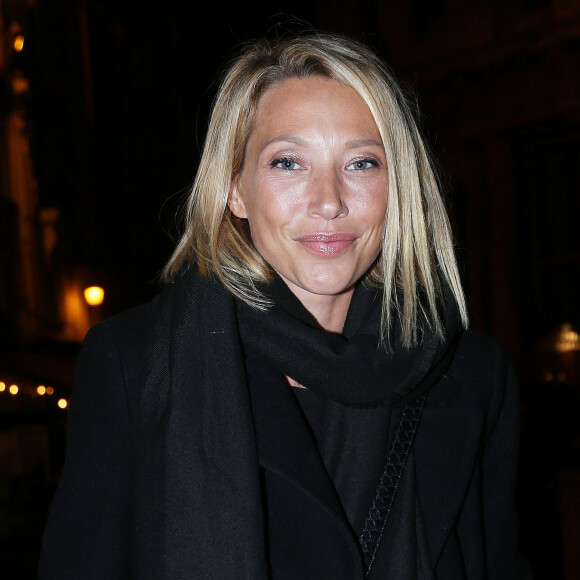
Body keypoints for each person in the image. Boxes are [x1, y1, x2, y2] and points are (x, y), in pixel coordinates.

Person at [39, 33, 528, 578]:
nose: (329, 201)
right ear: (235, 190)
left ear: (400, 187)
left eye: (362, 163)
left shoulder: (472, 377)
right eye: (289, 163)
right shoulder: (135, 365)